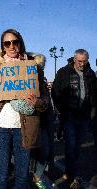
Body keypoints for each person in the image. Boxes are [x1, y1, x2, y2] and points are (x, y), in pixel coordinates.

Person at [0, 29, 49, 189]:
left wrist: (37, 102)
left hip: (25, 128)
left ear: (20, 43)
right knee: (2, 173)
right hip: (0, 127)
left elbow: (46, 100)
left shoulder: (33, 68)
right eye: (7, 43)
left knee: (22, 174)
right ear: (3, 46)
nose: (12, 46)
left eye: (15, 42)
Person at [52, 49, 97, 188]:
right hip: (69, 116)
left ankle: (70, 171)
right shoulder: (63, 72)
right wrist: (60, 110)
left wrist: (92, 114)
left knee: (77, 146)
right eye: (79, 61)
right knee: (71, 146)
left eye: (84, 61)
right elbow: (55, 92)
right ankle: (74, 177)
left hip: (84, 116)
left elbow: (94, 96)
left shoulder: (90, 74)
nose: (82, 64)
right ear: (74, 59)